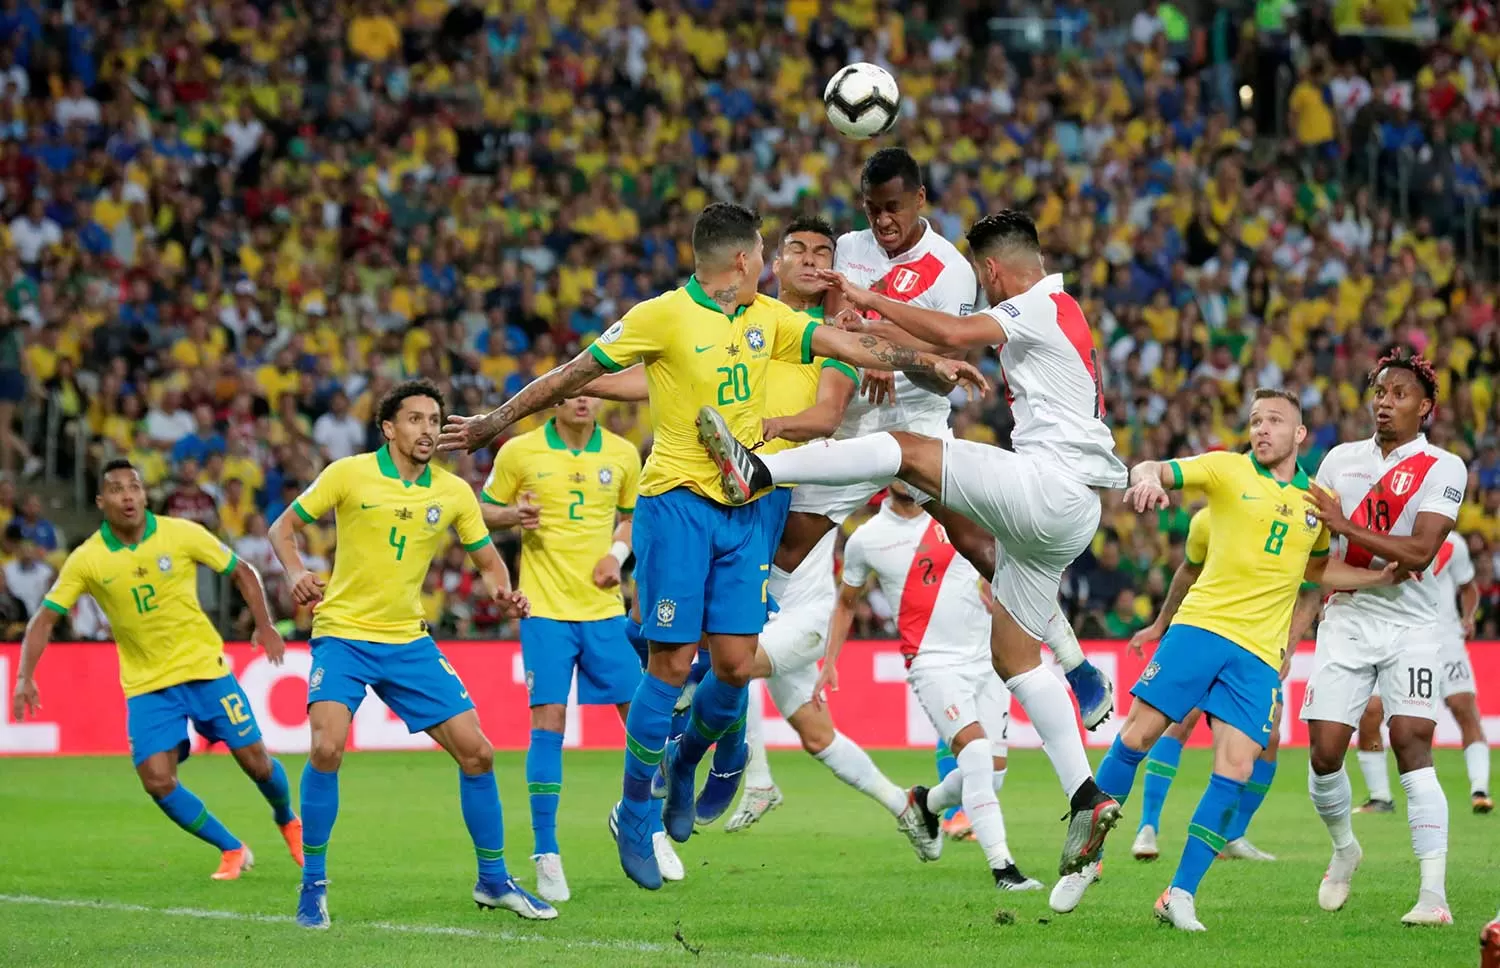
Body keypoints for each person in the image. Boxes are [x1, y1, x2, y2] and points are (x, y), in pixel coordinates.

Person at [436, 202, 983, 889]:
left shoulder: (769, 319)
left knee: (734, 663)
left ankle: (693, 762)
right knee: (670, 664)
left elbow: (855, 349)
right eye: (770, 254)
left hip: (751, 507)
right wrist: (494, 421)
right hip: (680, 506)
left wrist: (931, 361)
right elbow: (573, 373)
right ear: (746, 260)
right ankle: (637, 811)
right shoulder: (661, 316)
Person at [697, 210, 1126, 877]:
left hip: (1049, 486)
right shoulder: (1056, 307)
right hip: (1073, 512)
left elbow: (953, 333)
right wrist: (874, 328)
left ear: (990, 270)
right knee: (1014, 655)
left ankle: (758, 471)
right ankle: (1086, 794)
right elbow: (931, 339)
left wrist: (866, 299)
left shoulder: (1039, 304)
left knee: (901, 449)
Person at [581, 216, 924, 849]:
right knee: (660, 632)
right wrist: (582, 381)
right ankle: (716, 763)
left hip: (769, 494)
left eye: (823, 253)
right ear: (771, 262)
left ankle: (728, 759)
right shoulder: (736, 318)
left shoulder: (831, 333)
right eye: (797, 249)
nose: (810, 260)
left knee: (727, 652)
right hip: (703, 485)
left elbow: (827, 414)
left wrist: (766, 428)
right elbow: (656, 376)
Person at [1089, 390, 1376, 931]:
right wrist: (1146, 477)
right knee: (1138, 735)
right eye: (1255, 420)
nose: (1261, 428)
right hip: (1200, 628)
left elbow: (1315, 575)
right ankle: (1089, 852)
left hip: (1258, 654)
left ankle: (1179, 893)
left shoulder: (1319, 502)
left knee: (1238, 767)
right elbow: (1156, 471)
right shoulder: (1225, 469)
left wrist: (1375, 578)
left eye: (1274, 420)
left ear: (1300, 434)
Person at [267, 379, 548, 927]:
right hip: (344, 635)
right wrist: (297, 572)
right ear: (388, 428)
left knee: (478, 753)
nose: (427, 429)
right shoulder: (349, 474)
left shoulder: (453, 492)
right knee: (326, 748)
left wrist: (503, 591)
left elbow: (487, 561)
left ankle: (493, 881)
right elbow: (283, 529)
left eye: (435, 420)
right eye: (415, 419)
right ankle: (313, 886)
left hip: (408, 640)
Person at [11, 459, 298, 881]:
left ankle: (286, 818)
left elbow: (241, 571)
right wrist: (24, 675)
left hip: (205, 670)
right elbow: (45, 618)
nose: (127, 496)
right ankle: (232, 848)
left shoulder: (180, 533)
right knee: (157, 781)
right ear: (101, 501)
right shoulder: (88, 559)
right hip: (148, 685)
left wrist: (264, 624)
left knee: (257, 763)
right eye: (116, 489)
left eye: (134, 487)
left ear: (144, 495)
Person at [481, 393, 684, 901]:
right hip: (544, 610)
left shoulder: (621, 453)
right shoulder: (520, 451)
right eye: (571, 392)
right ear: (554, 400)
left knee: (644, 722)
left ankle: (646, 825)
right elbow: (478, 512)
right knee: (548, 724)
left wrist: (617, 555)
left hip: (603, 611)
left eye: (590, 391)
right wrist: (512, 514)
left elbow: (631, 517)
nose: (581, 400)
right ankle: (546, 852)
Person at [1301, 350, 1467, 927]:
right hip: (1347, 618)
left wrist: (1345, 524)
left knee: (1411, 743)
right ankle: (1345, 847)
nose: (1385, 402)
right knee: (1324, 753)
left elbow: (1420, 552)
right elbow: (1313, 558)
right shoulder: (1338, 461)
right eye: (1379, 392)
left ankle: (1433, 896)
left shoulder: (1444, 467)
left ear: (1425, 407)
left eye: (1399, 394)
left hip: (1413, 625)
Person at [1122, 505, 1373, 867]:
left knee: (1268, 739)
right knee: (1180, 721)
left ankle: (1233, 834)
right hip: (1207, 632)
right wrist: (1162, 624)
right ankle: (1148, 826)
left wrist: (1288, 646)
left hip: (1257, 646)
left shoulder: (1294, 521)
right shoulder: (1213, 518)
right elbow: (1188, 572)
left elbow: (1309, 590)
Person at [822, 481, 1043, 891]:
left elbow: (994, 559)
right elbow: (846, 602)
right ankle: (1004, 869)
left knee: (992, 775)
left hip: (987, 657)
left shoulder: (954, 513)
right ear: (889, 477)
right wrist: (830, 661)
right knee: (975, 756)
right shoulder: (867, 539)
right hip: (932, 664)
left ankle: (925, 803)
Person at [1351, 532, 1491, 815]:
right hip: (1393, 637)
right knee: (1370, 712)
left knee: (1463, 707)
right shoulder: (1383, 535)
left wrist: (1467, 617)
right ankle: (1380, 797)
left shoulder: (1452, 542)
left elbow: (1468, 588)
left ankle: (1480, 790)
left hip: (1445, 639)